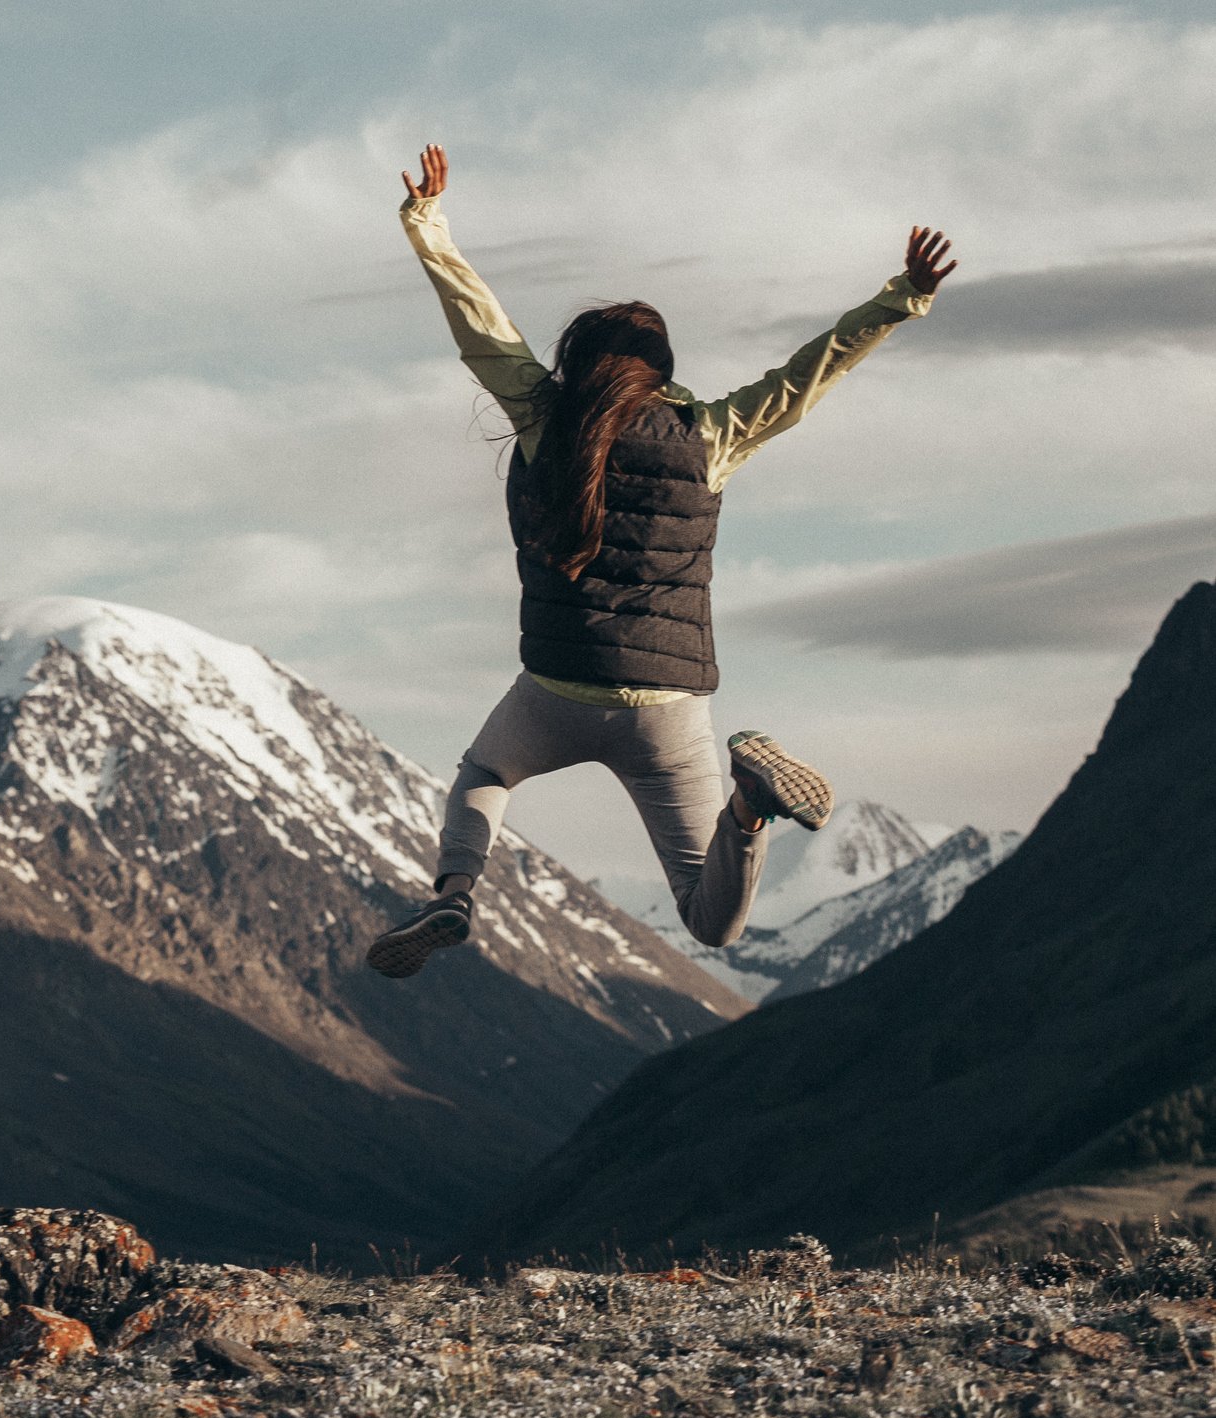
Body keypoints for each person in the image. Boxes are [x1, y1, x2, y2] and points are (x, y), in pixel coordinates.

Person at [367, 143, 956, 979]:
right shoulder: (709, 434)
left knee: (486, 772)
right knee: (711, 924)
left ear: (576, 363)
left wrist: (426, 222)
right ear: (663, 371)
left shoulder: (542, 419)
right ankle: (748, 808)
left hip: (556, 688)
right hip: (668, 709)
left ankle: (456, 893)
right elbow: (806, 376)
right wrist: (901, 298)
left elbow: (481, 327)